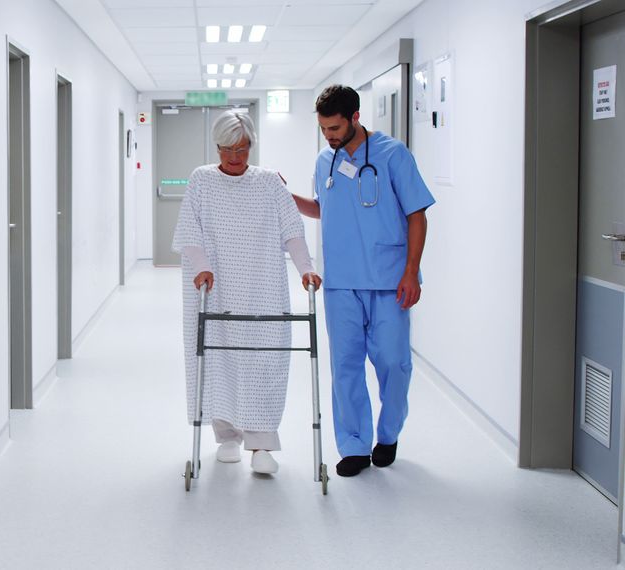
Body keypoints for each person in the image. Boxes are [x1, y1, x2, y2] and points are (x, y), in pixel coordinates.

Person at [289, 85, 435, 477]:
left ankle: (388, 434)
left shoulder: (393, 155)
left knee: (393, 362)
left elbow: (417, 215)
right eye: (323, 129)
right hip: (341, 282)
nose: (329, 136)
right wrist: (287, 197)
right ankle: (354, 445)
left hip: (389, 280)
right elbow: (324, 208)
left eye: (334, 127)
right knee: (346, 365)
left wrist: (410, 271)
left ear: (355, 117)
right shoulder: (326, 160)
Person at [172, 110, 322, 475]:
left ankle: (262, 444)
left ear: (252, 144)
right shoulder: (201, 181)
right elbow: (189, 232)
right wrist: (201, 264)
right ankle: (226, 436)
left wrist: (306, 269)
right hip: (215, 289)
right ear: (217, 147)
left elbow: (292, 231)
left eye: (241, 148)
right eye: (227, 149)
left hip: (263, 288)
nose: (235, 157)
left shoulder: (270, 183)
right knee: (218, 360)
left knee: (264, 361)